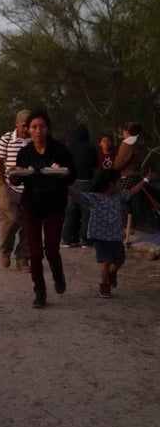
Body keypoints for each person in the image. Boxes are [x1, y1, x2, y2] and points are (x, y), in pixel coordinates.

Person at [9, 109, 76, 308]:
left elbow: (72, 175)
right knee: (35, 252)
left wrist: (62, 174)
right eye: (34, 127)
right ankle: (39, 291)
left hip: (55, 205)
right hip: (31, 205)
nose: (38, 130)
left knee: (52, 250)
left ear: (48, 128)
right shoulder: (25, 152)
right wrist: (15, 175)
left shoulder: (60, 150)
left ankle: (58, 275)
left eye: (42, 126)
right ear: (28, 130)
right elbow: (19, 177)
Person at [70, 168, 154, 298]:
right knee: (106, 261)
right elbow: (78, 196)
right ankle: (104, 286)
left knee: (119, 261)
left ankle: (112, 273)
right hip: (101, 238)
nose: (121, 184)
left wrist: (146, 180)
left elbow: (132, 192)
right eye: (119, 181)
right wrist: (64, 186)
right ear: (110, 184)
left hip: (116, 237)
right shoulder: (94, 198)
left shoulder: (119, 195)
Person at [0, 109, 33, 272]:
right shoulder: (7, 138)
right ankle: (5, 250)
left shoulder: (34, 140)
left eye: (29, 125)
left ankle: (23, 258)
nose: (27, 129)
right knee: (12, 221)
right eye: (24, 125)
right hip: (10, 189)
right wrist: (3, 185)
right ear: (16, 124)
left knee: (28, 225)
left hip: (31, 190)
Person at [61, 123, 97, 248]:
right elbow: (94, 165)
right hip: (86, 182)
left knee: (71, 210)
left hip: (71, 182)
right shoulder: (91, 148)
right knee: (86, 211)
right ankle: (86, 239)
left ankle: (69, 238)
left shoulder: (69, 147)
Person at [113, 122, 144, 227]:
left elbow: (121, 161)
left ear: (126, 131)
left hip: (128, 174)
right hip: (136, 175)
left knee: (120, 198)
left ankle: (126, 225)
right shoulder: (137, 143)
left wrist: (113, 169)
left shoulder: (127, 143)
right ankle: (132, 224)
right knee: (130, 200)